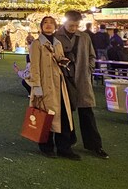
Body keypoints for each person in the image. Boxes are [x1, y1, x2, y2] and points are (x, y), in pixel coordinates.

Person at [55, 11, 108, 159]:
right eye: (71, 25)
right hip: (64, 79)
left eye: (76, 25)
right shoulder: (56, 37)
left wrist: (89, 69)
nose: (73, 28)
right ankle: (67, 143)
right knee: (66, 114)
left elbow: (92, 55)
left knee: (87, 113)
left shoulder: (84, 37)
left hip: (82, 78)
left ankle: (95, 145)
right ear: (65, 22)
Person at [30, 15, 79, 159]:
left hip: (59, 85)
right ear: (41, 26)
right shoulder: (37, 44)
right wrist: (37, 87)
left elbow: (58, 59)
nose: (48, 25)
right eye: (45, 23)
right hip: (45, 85)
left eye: (51, 23)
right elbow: (34, 67)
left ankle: (64, 147)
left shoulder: (57, 43)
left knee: (63, 116)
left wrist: (63, 61)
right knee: (46, 116)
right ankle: (46, 146)